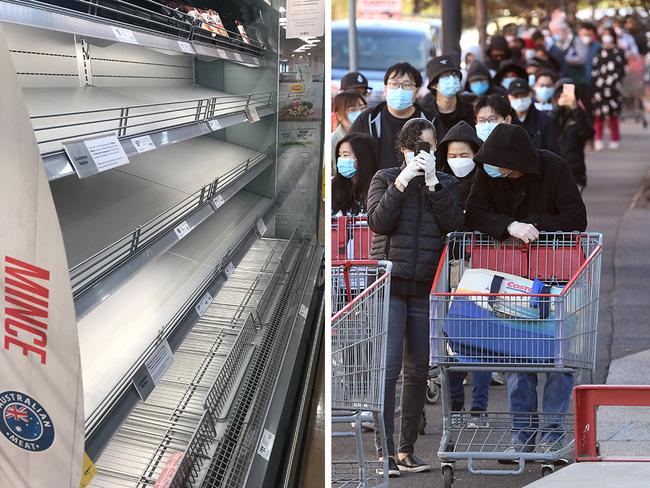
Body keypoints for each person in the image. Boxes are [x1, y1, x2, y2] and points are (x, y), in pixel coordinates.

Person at [465, 123, 587, 457]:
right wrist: (508, 226)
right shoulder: (488, 173)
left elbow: (576, 217)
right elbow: (474, 213)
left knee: (558, 362)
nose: (492, 169)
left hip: (556, 278)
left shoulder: (554, 168)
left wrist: (535, 226)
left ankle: (552, 431)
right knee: (517, 362)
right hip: (511, 281)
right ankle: (523, 434)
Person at [367, 118, 464, 476]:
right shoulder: (385, 178)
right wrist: (403, 179)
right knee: (389, 369)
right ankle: (385, 452)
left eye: (430, 148)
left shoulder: (445, 183)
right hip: (390, 286)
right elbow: (378, 221)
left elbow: (454, 224)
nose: (425, 154)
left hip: (425, 287)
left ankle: (407, 450)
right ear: (404, 150)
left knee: (418, 371)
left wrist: (434, 182)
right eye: (418, 148)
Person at [350, 62, 443, 169]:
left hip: (419, 183)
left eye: (407, 85)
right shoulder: (368, 119)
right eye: (394, 84)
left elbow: (440, 157)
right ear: (385, 89)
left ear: (417, 91)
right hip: (375, 184)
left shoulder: (430, 121)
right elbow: (351, 150)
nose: (400, 89)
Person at [550, 78, 595, 190]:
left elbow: (587, 133)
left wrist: (575, 108)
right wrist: (558, 108)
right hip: (553, 170)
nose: (566, 97)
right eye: (561, 94)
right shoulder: (551, 113)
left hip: (575, 172)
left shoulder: (579, 113)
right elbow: (548, 128)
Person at [591, 27, 626, 151]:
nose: (607, 37)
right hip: (599, 89)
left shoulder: (619, 52)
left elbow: (622, 70)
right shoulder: (598, 51)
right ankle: (598, 138)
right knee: (598, 115)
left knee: (613, 115)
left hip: (614, 89)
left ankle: (614, 138)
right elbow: (594, 70)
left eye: (609, 34)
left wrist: (614, 82)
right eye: (604, 34)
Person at [420, 54, 475, 133]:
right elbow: (422, 143)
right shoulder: (425, 113)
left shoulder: (470, 110)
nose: (452, 79)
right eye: (445, 76)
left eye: (455, 74)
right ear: (434, 84)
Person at [507, 78, 561, 154]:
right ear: (509, 97)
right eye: (516, 97)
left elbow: (553, 150)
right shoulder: (505, 120)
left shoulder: (544, 120)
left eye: (523, 96)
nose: (520, 100)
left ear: (530, 94)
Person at [332, 133, 378, 215]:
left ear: (362, 158)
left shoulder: (378, 188)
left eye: (346, 155)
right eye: (340, 155)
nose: (341, 160)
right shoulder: (334, 187)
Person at [332, 92, 367, 165]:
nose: (359, 113)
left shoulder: (373, 134)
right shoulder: (333, 141)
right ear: (338, 115)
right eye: (352, 110)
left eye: (362, 108)